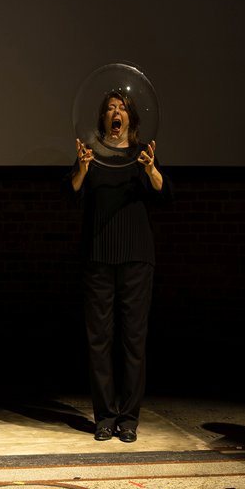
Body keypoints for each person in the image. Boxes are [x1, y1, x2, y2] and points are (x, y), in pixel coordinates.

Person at [68, 89, 169, 443]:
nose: (116, 111)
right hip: (98, 256)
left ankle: (128, 419)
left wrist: (152, 170)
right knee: (99, 340)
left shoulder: (141, 156)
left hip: (136, 257)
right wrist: (82, 169)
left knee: (133, 340)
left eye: (121, 107)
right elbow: (72, 193)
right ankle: (105, 417)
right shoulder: (91, 156)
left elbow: (165, 194)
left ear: (130, 118)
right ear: (103, 118)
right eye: (110, 107)